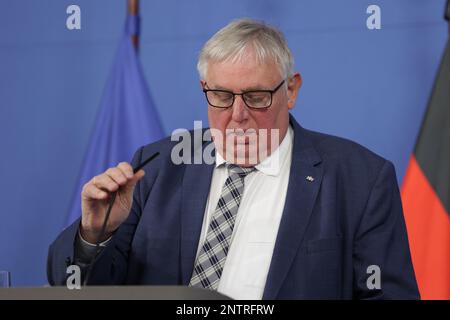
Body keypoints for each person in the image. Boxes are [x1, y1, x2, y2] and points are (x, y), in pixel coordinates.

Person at [47, 18, 419, 299]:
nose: (238, 114)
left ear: (291, 90)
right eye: (222, 96)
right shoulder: (158, 167)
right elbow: (78, 289)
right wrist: (94, 236)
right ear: (204, 89)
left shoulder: (359, 180)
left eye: (256, 97)